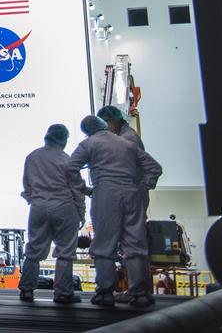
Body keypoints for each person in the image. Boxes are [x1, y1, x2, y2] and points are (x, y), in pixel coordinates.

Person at [68, 115, 163, 308]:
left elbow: (70, 168)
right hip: (132, 194)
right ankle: (140, 294)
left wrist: (85, 189)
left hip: (106, 194)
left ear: (87, 130)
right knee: (136, 244)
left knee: (104, 245)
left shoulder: (88, 144)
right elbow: (155, 168)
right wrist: (143, 185)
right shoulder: (127, 144)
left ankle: (105, 293)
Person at [17, 123, 84, 304]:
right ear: (63, 140)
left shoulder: (32, 157)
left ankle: (27, 290)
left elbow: (27, 185)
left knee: (33, 250)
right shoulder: (67, 159)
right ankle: (63, 293)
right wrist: (81, 212)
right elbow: (76, 188)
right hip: (63, 206)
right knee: (65, 251)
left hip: (38, 207)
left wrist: (34, 200)